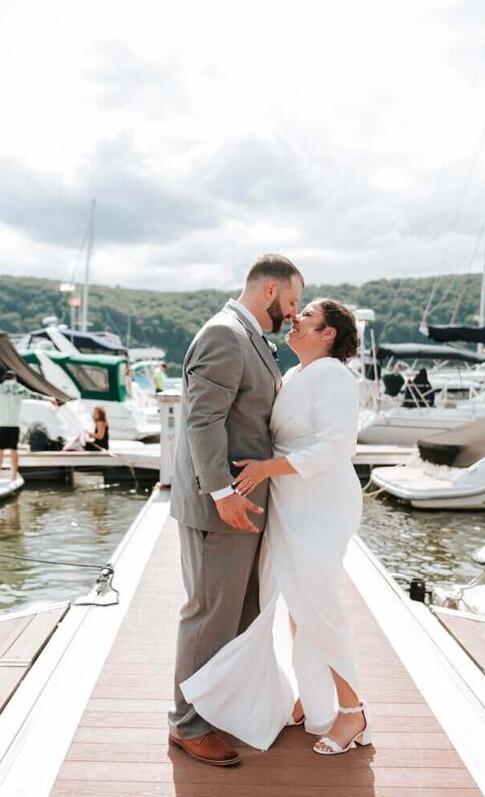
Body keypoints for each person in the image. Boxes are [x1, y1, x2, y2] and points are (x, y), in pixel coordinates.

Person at [180, 298, 370, 757]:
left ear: (328, 334)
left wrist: (267, 469)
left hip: (320, 500)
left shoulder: (333, 374)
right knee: (297, 603)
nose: (294, 319)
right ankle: (312, 695)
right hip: (290, 499)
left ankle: (352, 711)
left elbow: (338, 444)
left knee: (318, 602)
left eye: (305, 316)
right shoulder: (299, 374)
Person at [167, 254, 304, 767]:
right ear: (269, 291)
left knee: (239, 615)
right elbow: (202, 421)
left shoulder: (249, 337)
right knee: (208, 615)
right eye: (290, 303)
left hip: (245, 504)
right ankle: (186, 725)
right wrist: (222, 493)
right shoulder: (225, 334)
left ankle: (218, 706)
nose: (292, 315)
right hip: (219, 506)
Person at [0, 370, 43, 482]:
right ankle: (14, 475)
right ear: (14, 378)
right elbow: (34, 395)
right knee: (13, 450)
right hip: (13, 424)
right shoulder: (19, 388)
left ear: (4, 378)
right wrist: (49, 399)